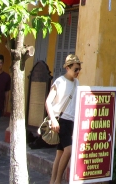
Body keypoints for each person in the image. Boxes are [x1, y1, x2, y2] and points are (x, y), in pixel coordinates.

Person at [45, 54, 81, 184]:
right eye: (75, 69)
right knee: (68, 150)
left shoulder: (77, 83)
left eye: (79, 69)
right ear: (67, 68)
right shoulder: (60, 81)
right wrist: (53, 120)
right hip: (61, 120)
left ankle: (53, 181)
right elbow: (48, 101)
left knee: (60, 153)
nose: (77, 72)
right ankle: (58, 180)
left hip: (71, 121)